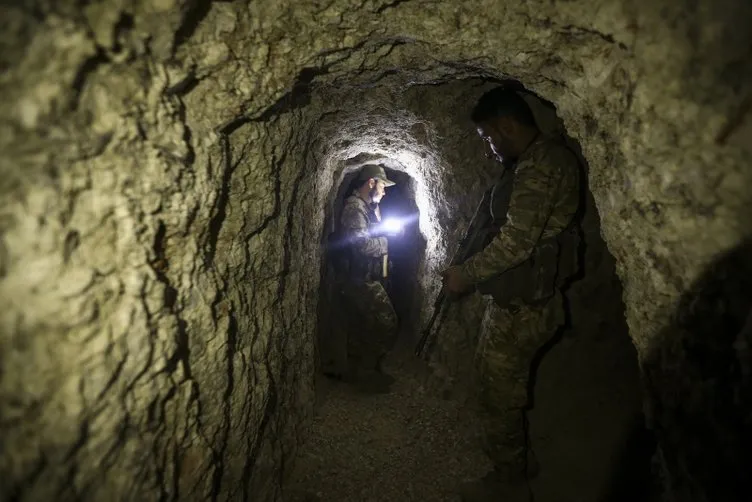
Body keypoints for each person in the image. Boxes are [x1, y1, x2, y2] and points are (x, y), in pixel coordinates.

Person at [442, 87, 582, 501]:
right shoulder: (535, 162)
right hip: (519, 300)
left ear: (507, 126)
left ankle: (510, 484)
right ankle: (518, 461)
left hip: (525, 308)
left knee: (498, 394)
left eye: (488, 137)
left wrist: (465, 275)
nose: (488, 147)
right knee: (498, 387)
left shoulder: (541, 166)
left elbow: (516, 243)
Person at [336, 164, 400, 391]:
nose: (384, 191)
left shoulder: (366, 208)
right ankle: (367, 373)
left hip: (364, 277)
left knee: (362, 325)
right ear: (371, 183)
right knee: (386, 322)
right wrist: (387, 240)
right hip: (358, 279)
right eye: (382, 185)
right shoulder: (355, 208)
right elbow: (361, 245)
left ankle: (360, 374)